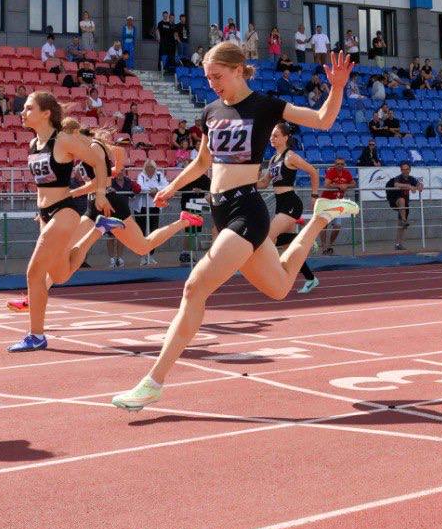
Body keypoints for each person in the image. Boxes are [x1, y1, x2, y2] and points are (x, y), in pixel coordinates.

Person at [110, 44, 358, 410]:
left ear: (239, 70)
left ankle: (152, 382)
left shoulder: (265, 105)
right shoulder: (210, 111)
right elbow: (201, 163)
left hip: (247, 210)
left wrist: (336, 88)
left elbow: (322, 120)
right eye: (208, 77)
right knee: (279, 286)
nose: (211, 84)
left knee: (194, 288)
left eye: (218, 76)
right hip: (220, 210)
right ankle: (320, 216)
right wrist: (171, 187)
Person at [4, 93, 111, 350]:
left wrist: (100, 193)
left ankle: (36, 335)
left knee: (34, 272)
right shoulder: (33, 144)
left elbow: (97, 159)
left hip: (64, 212)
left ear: (46, 113)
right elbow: (43, 184)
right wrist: (39, 209)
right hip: (45, 213)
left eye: (29, 108)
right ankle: (97, 232)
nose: (23, 112)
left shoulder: (62, 140)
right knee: (60, 274)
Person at [64, 149, 197, 272]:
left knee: (143, 247)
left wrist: (73, 193)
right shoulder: (81, 152)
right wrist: (114, 170)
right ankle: (50, 278)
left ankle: (184, 221)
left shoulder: (95, 147)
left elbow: (116, 156)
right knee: (66, 246)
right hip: (94, 203)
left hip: (110, 203)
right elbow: (104, 177)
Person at [259, 122, 322, 293]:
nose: (272, 138)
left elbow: (313, 172)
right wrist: (245, 183)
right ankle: (310, 278)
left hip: (291, 203)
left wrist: (314, 196)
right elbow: (264, 183)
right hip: (280, 204)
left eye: (276, 135)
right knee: (291, 250)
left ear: (286, 138)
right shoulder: (273, 159)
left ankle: (304, 241)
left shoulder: (291, 156)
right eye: (271, 135)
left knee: (267, 237)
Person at [317, 157, 355, 256]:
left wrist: (346, 185)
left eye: (342, 164)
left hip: (338, 203)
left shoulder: (346, 173)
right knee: (324, 226)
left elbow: (354, 183)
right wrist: (339, 186)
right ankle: (324, 247)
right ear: (335, 164)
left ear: (344, 165)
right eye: (338, 164)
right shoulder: (331, 172)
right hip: (326, 201)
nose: (340, 165)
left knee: (337, 226)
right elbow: (326, 184)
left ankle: (330, 245)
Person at [386, 162, 423, 251]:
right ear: (401, 170)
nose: (405, 171)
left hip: (405, 203)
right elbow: (396, 184)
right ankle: (403, 220)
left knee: (401, 224)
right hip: (395, 198)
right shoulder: (398, 178)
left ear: (409, 170)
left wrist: (418, 187)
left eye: (407, 169)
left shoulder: (412, 178)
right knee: (402, 201)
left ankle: (398, 244)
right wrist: (409, 186)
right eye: (403, 169)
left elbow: (419, 186)